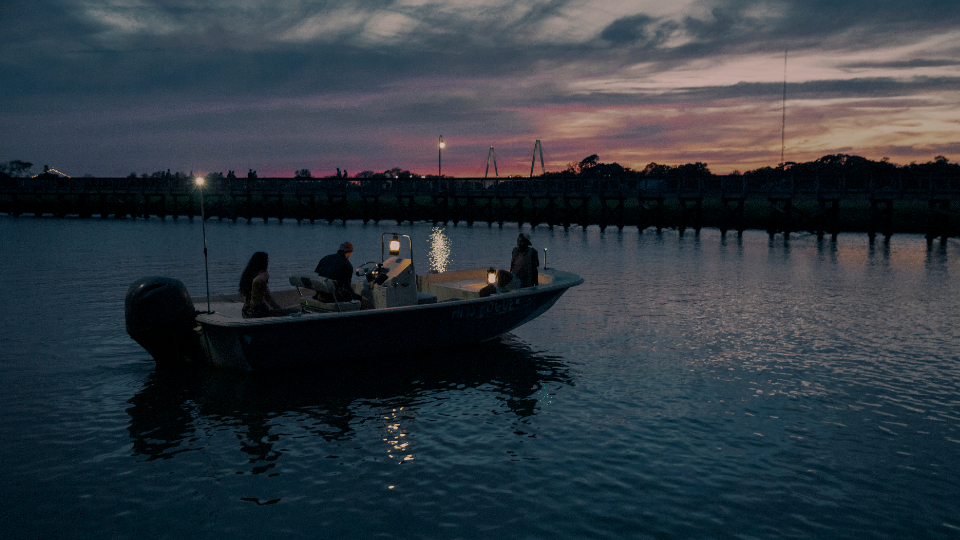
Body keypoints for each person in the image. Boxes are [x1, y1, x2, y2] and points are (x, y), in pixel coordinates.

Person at [239, 251, 298, 318]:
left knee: (286, 311)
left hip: (245, 311)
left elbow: (266, 298)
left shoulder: (248, 276)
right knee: (294, 311)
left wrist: (277, 308)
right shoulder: (259, 279)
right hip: (257, 313)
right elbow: (260, 300)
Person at [315, 241, 370, 307]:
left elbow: (318, 275)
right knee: (360, 300)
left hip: (321, 293)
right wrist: (360, 298)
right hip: (333, 296)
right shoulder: (347, 265)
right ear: (350, 252)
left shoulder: (325, 258)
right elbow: (348, 287)